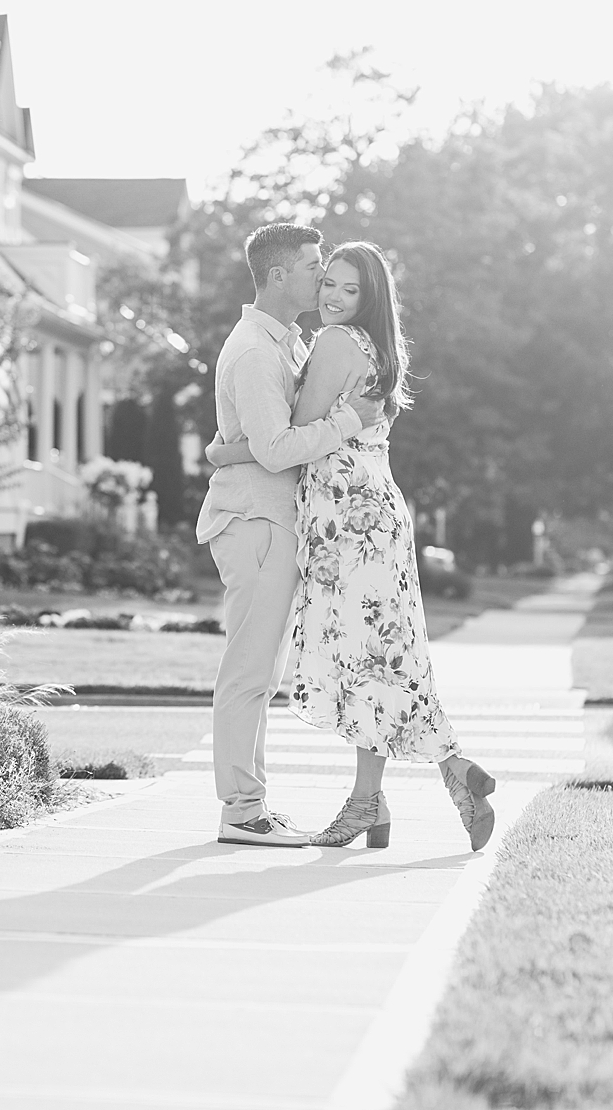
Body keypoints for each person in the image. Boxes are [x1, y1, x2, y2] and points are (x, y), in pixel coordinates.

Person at [204, 240, 497, 851]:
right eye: (323, 278)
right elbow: (287, 438)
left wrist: (226, 450)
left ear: (369, 299)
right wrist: (234, 448)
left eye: (344, 286)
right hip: (366, 512)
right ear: (284, 275)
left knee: (368, 656)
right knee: (381, 652)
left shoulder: (332, 343)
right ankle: (416, 782)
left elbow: (284, 439)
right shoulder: (344, 344)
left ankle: (388, 791)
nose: (327, 292)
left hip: (349, 517)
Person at [195, 223, 385, 847]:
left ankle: (250, 805)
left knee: (260, 673)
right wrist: (347, 422)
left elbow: (263, 439)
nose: (321, 277)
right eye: (312, 268)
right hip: (255, 522)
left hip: (276, 522)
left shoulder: (290, 343)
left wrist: (228, 451)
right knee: (248, 672)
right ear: (279, 275)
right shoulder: (254, 349)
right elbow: (279, 449)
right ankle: (241, 810)